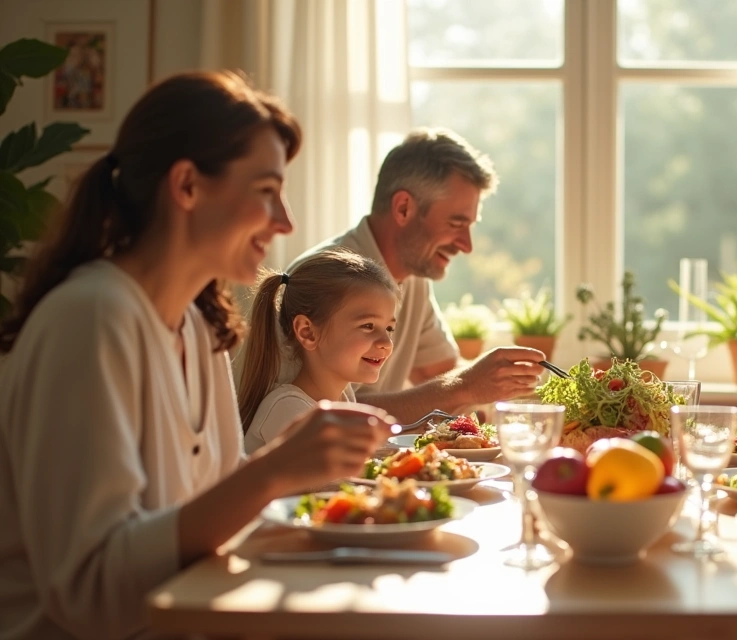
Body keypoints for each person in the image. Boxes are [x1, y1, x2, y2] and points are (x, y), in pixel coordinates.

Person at [0, 71, 393, 640]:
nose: (285, 221)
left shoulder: (198, 325)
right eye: (265, 191)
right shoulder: (90, 319)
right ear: (186, 186)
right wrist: (275, 469)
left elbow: (216, 515)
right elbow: (91, 598)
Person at [275, 128, 544, 423]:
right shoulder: (319, 279)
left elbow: (440, 372)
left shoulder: (413, 276)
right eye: (456, 223)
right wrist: (465, 388)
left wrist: (528, 392)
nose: (467, 246)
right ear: (403, 208)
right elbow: (317, 415)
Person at [239, 249, 398, 452]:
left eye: (389, 328)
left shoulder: (344, 396)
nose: (386, 342)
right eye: (367, 326)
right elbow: (332, 482)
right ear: (307, 332)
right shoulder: (288, 409)